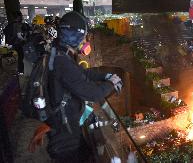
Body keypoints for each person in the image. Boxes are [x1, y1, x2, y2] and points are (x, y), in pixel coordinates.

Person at [28, 11, 123, 163]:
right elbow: (93, 93)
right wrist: (112, 83)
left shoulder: (58, 54)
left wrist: (104, 75)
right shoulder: (63, 62)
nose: (85, 40)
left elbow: (81, 73)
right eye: (84, 36)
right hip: (66, 137)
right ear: (74, 36)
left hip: (62, 125)